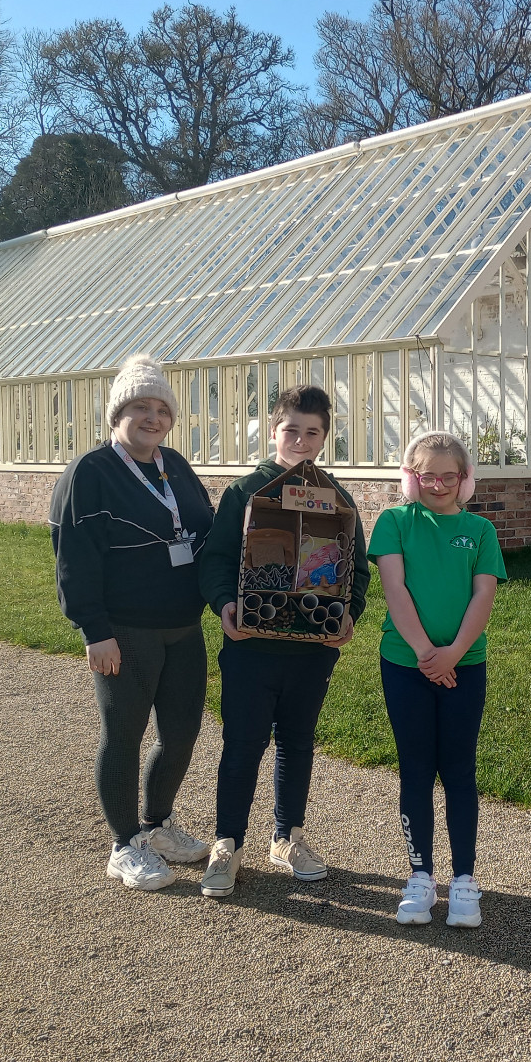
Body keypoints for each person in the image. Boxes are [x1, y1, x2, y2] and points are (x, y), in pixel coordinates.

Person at [49, 354, 215, 890]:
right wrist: (94, 631)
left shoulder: (176, 466)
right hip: (125, 629)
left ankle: (159, 823)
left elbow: (205, 534)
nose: (152, 417)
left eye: (160, 408)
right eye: (140, 407)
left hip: (182, 626)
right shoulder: (90, 473)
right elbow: (75, 557)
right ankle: (124, 843)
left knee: (183, 732)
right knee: (123, 734)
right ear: (117, 413)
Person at [196, 385, 370, 898]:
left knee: (297, 743)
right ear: (273, 430)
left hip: (311, 650)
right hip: (251, 646)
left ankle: (287, 836)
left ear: (323, 437)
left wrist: (349, 615)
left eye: (311, 431)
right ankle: (228, 842)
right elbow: (218, 560)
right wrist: (226, 604)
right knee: (243, 744)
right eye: (290, 429)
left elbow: (356, 568)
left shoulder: (337, 497)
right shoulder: (244, 492)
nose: (300, 439)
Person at [368, 431, 507, 927]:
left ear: (464, 478)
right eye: (427, 474)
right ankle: (421, 875)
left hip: (465, 666)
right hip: (406, 665)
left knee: (459, 771)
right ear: (412, 476)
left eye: (450, 475)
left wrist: (453, 655)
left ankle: (465, 879)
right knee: (416, 769)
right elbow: (394, 588)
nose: (439, 483)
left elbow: (483, 596)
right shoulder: (394, 522)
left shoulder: (481, 530)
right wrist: (428, 654)